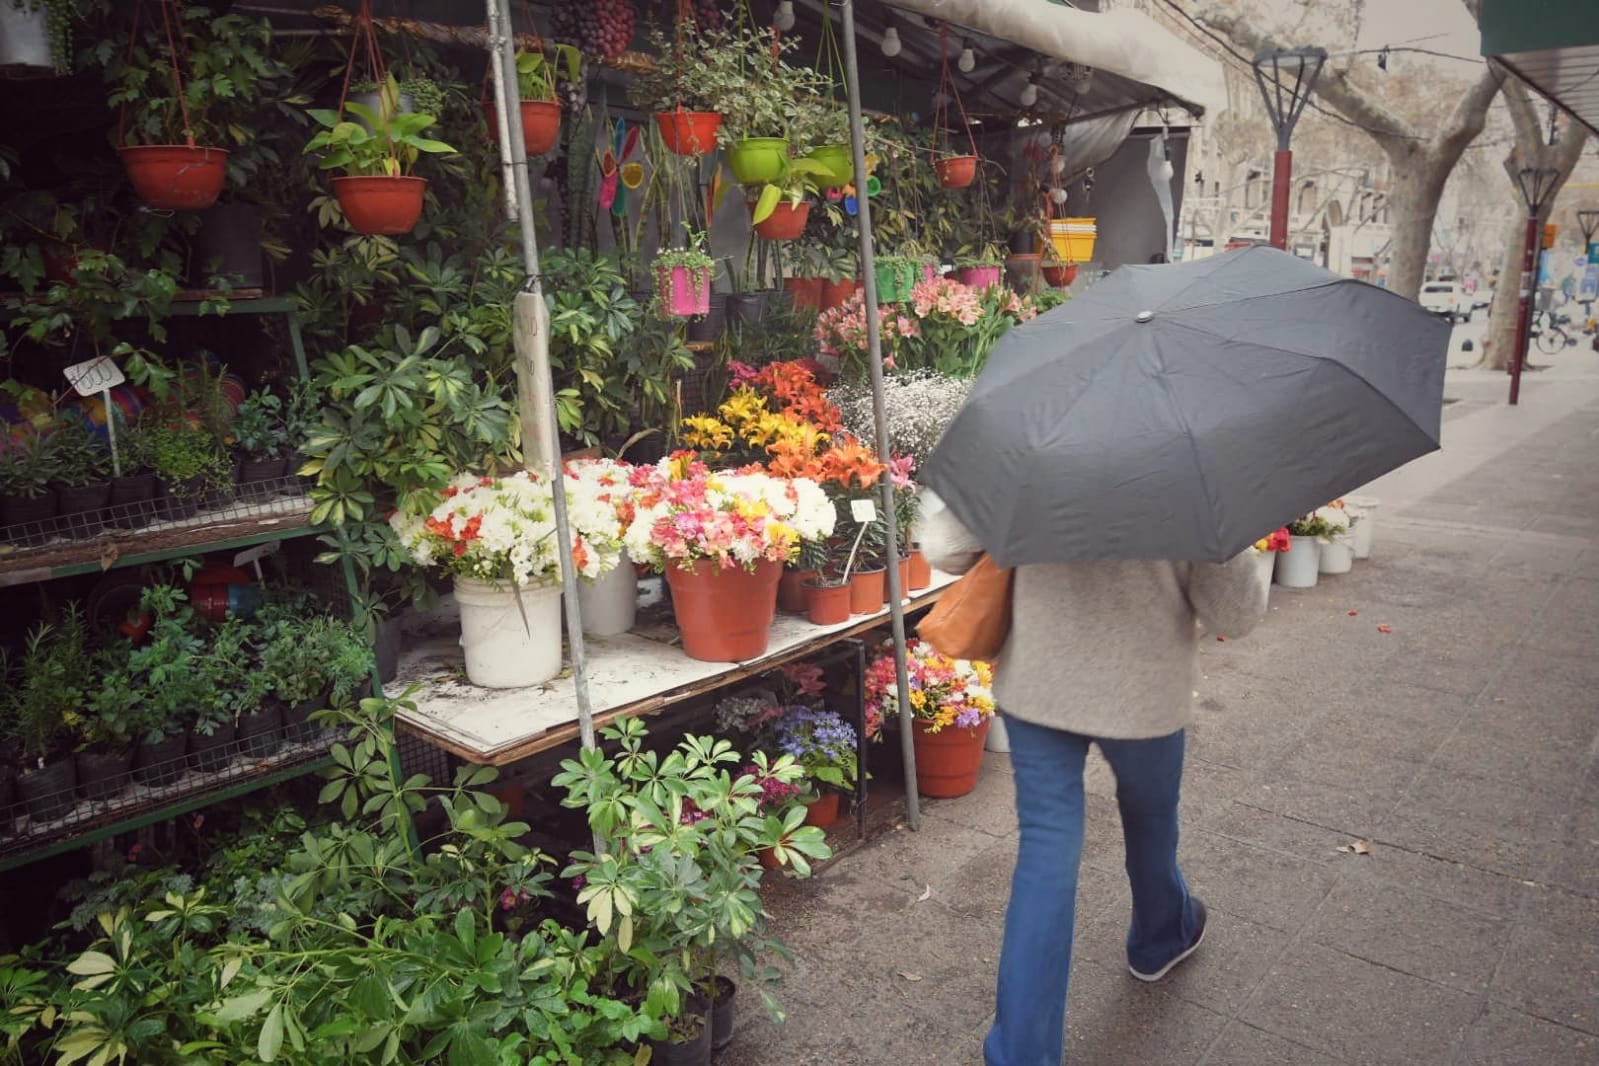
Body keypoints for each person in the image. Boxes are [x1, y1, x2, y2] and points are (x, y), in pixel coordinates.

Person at [918, 491, 1267, 1066]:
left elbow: (945, 548)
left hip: (1039, 682)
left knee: (1045, 858)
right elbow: (1238, 613)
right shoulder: (1191, 471)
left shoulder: (1034, 446)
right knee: (1151, 821)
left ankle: (1023, 1055)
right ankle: (1161, 936)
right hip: (1145, 695)